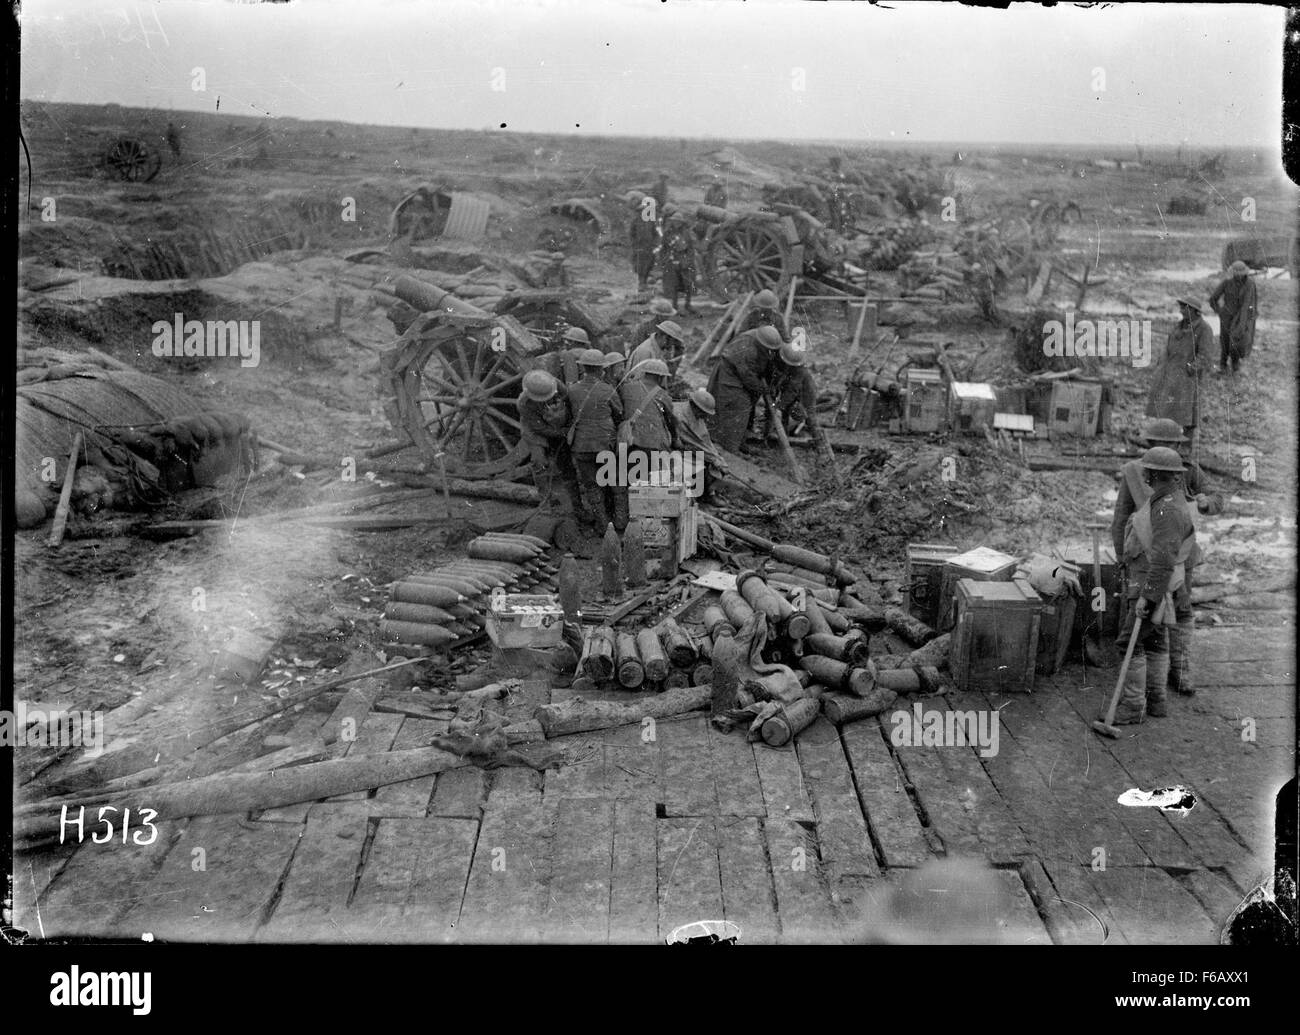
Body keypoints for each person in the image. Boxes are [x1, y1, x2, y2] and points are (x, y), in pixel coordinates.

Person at [1110, 418, 1222, 696]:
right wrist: (1122, 555)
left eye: (1168, 444)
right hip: (1143, 554)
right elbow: (1121, 516)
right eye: (1156, 444)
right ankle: (1148, 684)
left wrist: (1207, 502)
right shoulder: (1135, 472)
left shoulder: (1187, 472)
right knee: (1144, 612)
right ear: (1148, 444)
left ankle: (1180, 670)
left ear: (1177, 445)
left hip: (1181, 556)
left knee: (1182, 609)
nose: (1163, 449)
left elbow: (1217, 496)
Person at [1109, 446, 1199, 725]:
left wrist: (1147, 599)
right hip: (1161, 584)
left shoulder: (1167, 509)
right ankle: (1157, 700)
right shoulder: (1167, 501)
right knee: (1156, 640)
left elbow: (1163, 560)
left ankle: (1134, 705)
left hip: (1153, 584)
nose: (1144, 475)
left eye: (1148, 472)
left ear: (1155, 475)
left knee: (1129, 642)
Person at [566, 349, 624, 534]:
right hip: (604, 444)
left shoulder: (572, 390)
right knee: (615, 482)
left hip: (581, 446)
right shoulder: (607, 390)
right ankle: (620, 523)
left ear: (582, 368)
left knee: (591, 486)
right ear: (601, 370)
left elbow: (570, 415)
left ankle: (602, 524)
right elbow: (619, 413)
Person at [706, 324, 782, 452]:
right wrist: (762, 389)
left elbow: (768, 365)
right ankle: (729, 447)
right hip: (730, 374)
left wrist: (770, 386)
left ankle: (739, 441)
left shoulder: (766, 343)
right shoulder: (746, 347)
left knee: (747, 408)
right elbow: (746, 374)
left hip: (746, 375)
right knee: (737, 406)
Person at [1146, 296, 1211, 442]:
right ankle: (1165, 440)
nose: (1181, 311)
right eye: (1181, 307)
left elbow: (1205, 356)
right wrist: (1161, 366)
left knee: (1188, 413)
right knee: (1166, 409)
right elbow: (1168, 347)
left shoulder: (1204, 329)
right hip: (1170, 374)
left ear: (1195, 311)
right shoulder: (1178, 326)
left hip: (1188, 378)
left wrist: (1190, 368)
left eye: (1185, 308)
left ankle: (1186, 445)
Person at [517, 370, 577, 512]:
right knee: (539, 461)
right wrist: (564, 433)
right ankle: (545, 501)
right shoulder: (523, 404)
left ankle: (575, 500)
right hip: (535, 431)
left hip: (557, 422)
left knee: (566, 462)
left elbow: (569, 399)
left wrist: (569, 424)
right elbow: (540, 429)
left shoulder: (554, 384)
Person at [672, 388, 732, 503]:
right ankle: (695, 494)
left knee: (714, 461)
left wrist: (716, 457)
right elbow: (692, 442)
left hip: (688, 448)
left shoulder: (696, 415)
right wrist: (713, 458)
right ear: (695, 406)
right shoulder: (679, 414)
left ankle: (709, 492)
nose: (704, 416)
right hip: (674, 448)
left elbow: (704, 440)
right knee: (698, 464)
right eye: (703, 412)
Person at [769, 337, 826, 449]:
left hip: (806, 390)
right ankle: (783, 439)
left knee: (810, 415)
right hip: (790, 387)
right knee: (784, 412)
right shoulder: (782, 357)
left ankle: (819, 443)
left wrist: (779, 406)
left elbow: (792, 389)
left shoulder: (799, 369)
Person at [1208, 260, 1258, 376]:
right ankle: (1223, 365)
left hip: (1242, 317)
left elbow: (1250, 303)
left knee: (1239, 339)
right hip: (1227, 317)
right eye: (1237, 273)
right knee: (1225, 341)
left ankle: (1235, 364)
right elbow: (1213, 299)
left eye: (1242, 273)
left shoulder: (1250, 284)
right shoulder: (1226, 283)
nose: (1239, 276)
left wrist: (1247, 319)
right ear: (1233, 273)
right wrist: (1220, 311)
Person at [660, 213, 698, 314]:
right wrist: (665, 260)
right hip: (671, 261)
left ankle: (688, 304)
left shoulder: (686, 233)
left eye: (678, 222)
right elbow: (663, 248)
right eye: (674, 221)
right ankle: (675, 306)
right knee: (674, 284)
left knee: (688, 283)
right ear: (672, 222)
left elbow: (690, 249)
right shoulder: (667, 233)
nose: (676, 223)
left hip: (684, 260)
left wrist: (688, 261)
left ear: (681, 223)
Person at [626, 320, 685, 384]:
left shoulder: (659, 349)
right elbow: (638, 383)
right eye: (673, 342)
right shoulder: (646, 351)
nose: (672, 345)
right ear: (665, 337)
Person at [628, 195, 659, 294]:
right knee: (639, 265)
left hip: (649, 247)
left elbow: (656, 233)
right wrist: (634, 244)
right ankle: (641, 283)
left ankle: (644, 282)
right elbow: (631, 234)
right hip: (639, 247)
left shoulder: (651, 221)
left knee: (648, 264)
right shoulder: (635, 221)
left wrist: (655, 244)